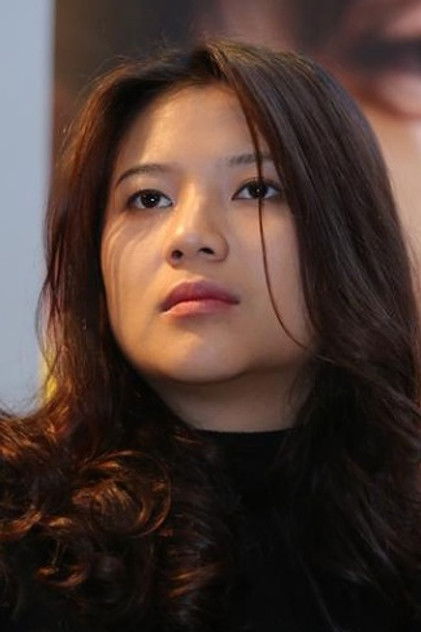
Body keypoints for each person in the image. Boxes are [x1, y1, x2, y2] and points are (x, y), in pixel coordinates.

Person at [0, 38, 420, 632]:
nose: (190, 236)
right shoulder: (17, 519)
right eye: (148, 199)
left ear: (348, 234)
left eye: (257, 190)